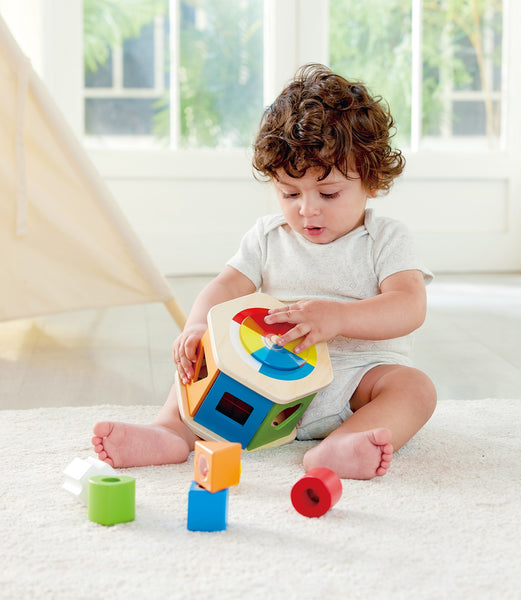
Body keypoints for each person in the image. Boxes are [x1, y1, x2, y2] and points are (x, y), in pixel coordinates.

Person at [92, 64, 436, 480]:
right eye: (289, 193)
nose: (307, 209)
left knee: (415, 389)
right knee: (198, 360)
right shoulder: (268, 236)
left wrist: (340, 317)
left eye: (328, 193)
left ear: (373, 180)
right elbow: (225, 284)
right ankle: (169, 431)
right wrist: (198, 325)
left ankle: (341, 445)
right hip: (263, 380)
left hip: (356, 382)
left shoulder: (385, 238)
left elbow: (409, 306)